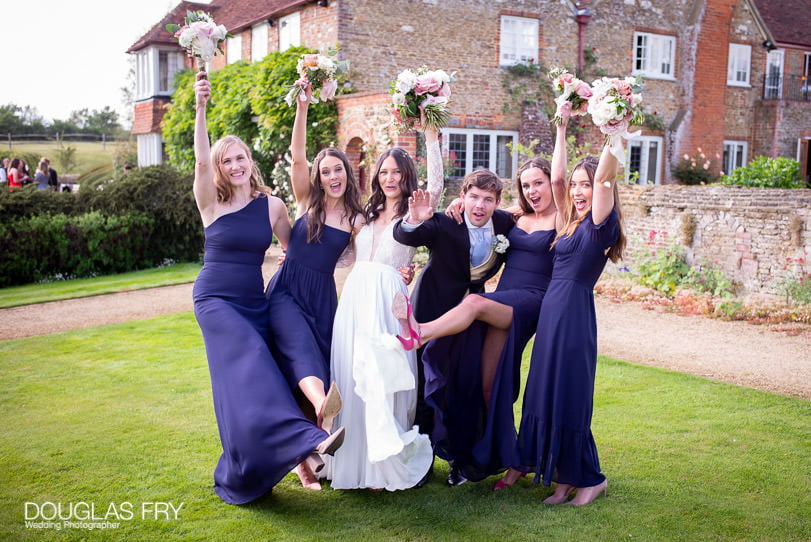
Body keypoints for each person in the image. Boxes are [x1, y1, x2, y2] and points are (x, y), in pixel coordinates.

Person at [191, 71, 344, 505]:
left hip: (256, 301)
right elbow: (200, 162)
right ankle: (311, 440)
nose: (235, 166)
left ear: (251, 162)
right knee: (256, 361)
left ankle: (265, 465)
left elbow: (295, 247)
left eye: (241, 158)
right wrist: (201, 108)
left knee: (261, 381)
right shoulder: (211, 202)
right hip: (216, 299)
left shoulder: (272, 206)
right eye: (227, 161)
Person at [394, 157, 558, 485]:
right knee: (424, 389)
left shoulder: (507, 223)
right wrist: (414, 217)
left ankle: (462, 462)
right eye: (473, 197)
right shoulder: (446, 221)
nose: (479, 206)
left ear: (497, 202)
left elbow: (531, 215)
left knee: (465, 387)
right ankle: (419, 465)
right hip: (433, 307)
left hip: (477, 314)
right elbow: (406, 235)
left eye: (487, 199)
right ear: (463, 196)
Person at [497, 113, 626, 506]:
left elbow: (605, 179)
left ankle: (589, 479)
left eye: (584, 185)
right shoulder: (570, 221)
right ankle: (560, 481)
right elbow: (555, 180)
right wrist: (561, 128)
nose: (579, 190)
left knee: (568, 395)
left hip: (573, 315)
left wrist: (613, 130)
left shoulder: (601, 223)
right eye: (576, 185)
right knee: (544, 393)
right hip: (552, 312)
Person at [325, 126, 442, 491]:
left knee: (385, 378)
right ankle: (351, 459)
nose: (390, 178)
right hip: (356, 297)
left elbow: (436, 185)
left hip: (388, 299)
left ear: (408, 177)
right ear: (377, 175)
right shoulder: (365, 211)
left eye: (398, 172)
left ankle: (383, 462)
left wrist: (432, 136)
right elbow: (344, 254)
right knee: (351, 375)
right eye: (385, 171)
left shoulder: (415, 211)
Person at [265, 88, 363, 489]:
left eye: (338, 170)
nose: (332, 177)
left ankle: (306, 462)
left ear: (348, 173)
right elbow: (298, 156)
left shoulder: (356, 218)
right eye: (326, 172)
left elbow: (372, 253)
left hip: (323, 300)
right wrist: (302, 106)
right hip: (287, 291)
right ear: (318, 179)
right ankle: (326, 412)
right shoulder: (309, 201)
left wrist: (401, 273)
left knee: (310, 368)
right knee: (299, 353)